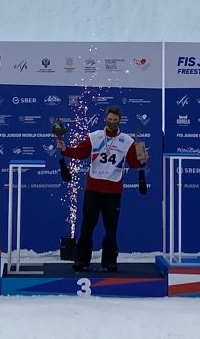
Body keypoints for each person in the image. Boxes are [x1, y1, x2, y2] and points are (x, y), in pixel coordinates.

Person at [58, 105, 147, 272]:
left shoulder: (127, 140)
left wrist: (143, 160)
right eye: (110, 119)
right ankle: (82, 260)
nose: (112, 122)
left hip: (113, 191)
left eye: (115, 120)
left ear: (120, 120)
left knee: (111, 227)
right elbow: (80, 153)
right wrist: (65, 150)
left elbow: (135, 163)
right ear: (105, 118)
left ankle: (109, 260)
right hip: (93, 188)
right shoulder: (95, 136)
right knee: (87, 226)